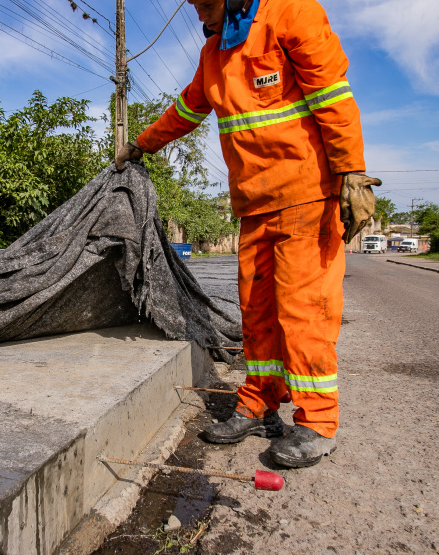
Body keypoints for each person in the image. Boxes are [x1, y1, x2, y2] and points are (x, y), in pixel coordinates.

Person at [115, 0, 381, 468]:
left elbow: (333, 99)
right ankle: (259, 405)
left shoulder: (292, 14)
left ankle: (317, 423)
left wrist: (352, 173)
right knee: (257, 313)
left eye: (206, 3)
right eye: (195, 5)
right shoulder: (214, 54)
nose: (201, 16)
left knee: (302, 314)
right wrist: (141, 145)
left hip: (308, 197)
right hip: (254, 207)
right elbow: (186, 109)